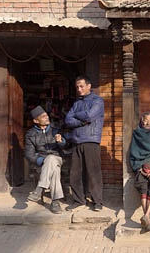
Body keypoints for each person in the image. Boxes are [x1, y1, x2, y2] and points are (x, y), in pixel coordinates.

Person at [65, 75, 105, 212]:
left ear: (89, 86)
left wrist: (78, 115)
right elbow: (68, 120)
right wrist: (82, 121)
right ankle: (79, 200)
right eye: (77, 87)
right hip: (77, 140)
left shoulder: (98, 101)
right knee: (75, 174)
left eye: (81, 86)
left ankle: (97, 201)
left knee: (93, 173)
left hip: (91, 140)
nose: (79, 89)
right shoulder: (77, 103)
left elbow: (90, 116)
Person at [25, 105, 66, 214]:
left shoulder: (55, 129)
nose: (46, 117)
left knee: (52, 158)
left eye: (46, 115)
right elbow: (29, 154)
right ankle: (55, 202)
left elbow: (66, 144)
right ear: (35, 120)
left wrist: (60, 142)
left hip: (58, 158)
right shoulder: (30, 134)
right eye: (43, 116)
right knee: (54, 170)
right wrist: (42, 161)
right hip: (43, 161)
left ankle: (39, 189)